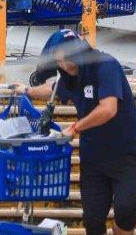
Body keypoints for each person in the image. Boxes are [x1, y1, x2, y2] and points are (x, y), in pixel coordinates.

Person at [14, 30, 136, 235]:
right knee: (92, 220)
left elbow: (108, 109)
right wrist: (26, 90)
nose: (67, 64)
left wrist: (76, 127)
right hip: (94, 159)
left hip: (126, 154)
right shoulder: (70, 76)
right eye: (60, 60)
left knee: (125, 212)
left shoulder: (106, 65)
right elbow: (53, 88)